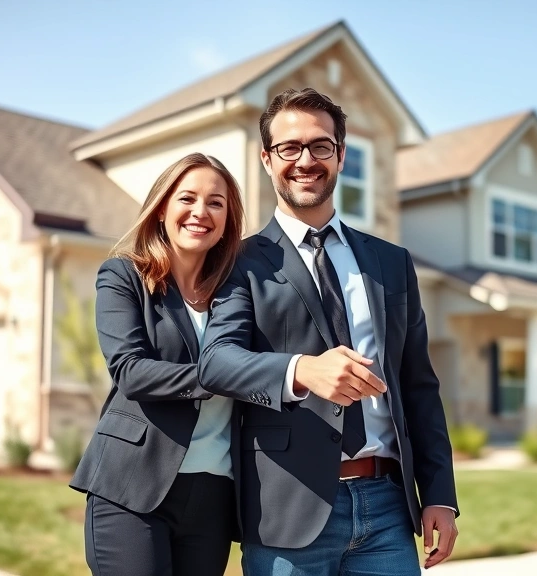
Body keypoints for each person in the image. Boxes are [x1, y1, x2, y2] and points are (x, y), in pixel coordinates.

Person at [197, 88, 459, 575]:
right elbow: (216, 362)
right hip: (287, 509)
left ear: (340, 155)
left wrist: (439, 495)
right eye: (289, 148)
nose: (305, 160)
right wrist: (301, 371)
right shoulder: (239, 261)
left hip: (387, 508)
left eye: (320, 146)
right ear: (267, 159)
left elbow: (419, 386)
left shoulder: (392, 262)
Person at [70, 152, 245, 576]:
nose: (200, 212)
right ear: (163, 207)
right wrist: (227, 377)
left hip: (214, 494)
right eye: (187, 198)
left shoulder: (237, 292)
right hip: (133, 485)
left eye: (216, 203)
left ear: (227, 220)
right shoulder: (124, 276)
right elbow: (130, 370)